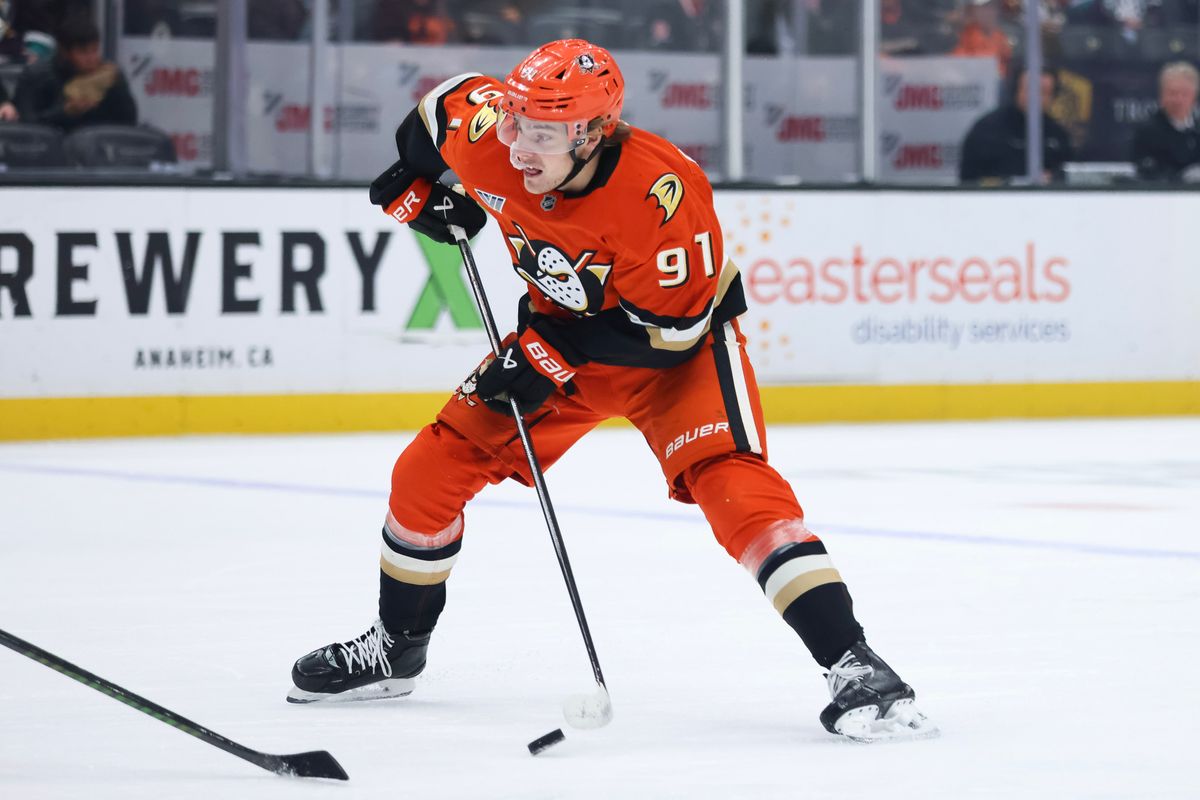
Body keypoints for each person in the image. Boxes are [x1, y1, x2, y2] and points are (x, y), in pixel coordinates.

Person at [286, 39, 935, 742]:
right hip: (562, 342)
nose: (517, 145)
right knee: (426, 472)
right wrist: (415, 187)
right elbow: (432, 117)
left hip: (677, 353)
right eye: (515, 121)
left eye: (539, 133)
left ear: (590, 133)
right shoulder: (496, 135)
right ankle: (396, 645)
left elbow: (668, 335)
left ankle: (856, 663)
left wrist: (542, 353)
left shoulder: (662, 194)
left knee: (735, 491)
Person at [13, 13, 136, 132]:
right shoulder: (35, 76)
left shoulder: (109, 77)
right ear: (64, 53)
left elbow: (128, 123)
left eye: (95, 50)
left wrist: (118, 88)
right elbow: (27, 129)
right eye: (83, 52)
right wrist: (65, 112)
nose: (92, 59)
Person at [959, 65, 1074, 183]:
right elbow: (969, 179)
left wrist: (1053, 179)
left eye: (1043, 92)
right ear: (1016, 90)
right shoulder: (987, 129)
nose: (1035, 97)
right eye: (1030, 89)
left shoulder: (1058, 135)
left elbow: (1069, 177)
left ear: (1053, 97)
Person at [1131, 61, 1200, 181]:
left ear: (1194, 97)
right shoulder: (1147, 131)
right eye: (1172, 93)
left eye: (1184, 94)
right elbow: (1145, 170)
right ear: (1162, 95)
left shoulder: (1197, 130)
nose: (1178, 100)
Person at [952, 0, 1012, 77]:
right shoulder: (967, 36)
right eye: (985, 7)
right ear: (973, 10)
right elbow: (958, 66)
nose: (990, 11)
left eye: (993, 6)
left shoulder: (1003, 35)